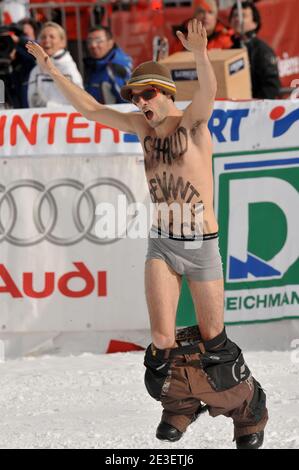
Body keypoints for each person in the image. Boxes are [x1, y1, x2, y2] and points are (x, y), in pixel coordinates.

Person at [26, 18, 268, 449]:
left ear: (167, 93)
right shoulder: (143, 131)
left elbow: (209, 94)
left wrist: (198, 52)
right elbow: (91, 110)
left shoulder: (191, 125)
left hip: (202, 246)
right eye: (135, 97)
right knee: (161, 341)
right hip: (162, 243)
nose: (140, 103)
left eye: (148, 94)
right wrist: (53, 70)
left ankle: (249, 409)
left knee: (215, 344)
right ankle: (181, 404)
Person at [229, 1, 281, 99]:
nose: (237, 19)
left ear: (255, 23)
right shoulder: (230, 50)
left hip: (257, 108)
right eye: (235, 15)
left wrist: (254, 103)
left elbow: (272, 86)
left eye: (243, 16)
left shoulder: (262, 50)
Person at [27, 21, 83, 107]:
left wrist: (50, 107)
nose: (46, 40)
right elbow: (32, 101)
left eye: (52, 37)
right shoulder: (35, 70)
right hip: (41, 119)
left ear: (62, 42)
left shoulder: (68, 68)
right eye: (43, 37)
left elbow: (80, 100)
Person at [84, 26, 133, 104]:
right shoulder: (93, 63)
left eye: (98, 41)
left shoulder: (116, 67)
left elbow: (129, 103)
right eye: (90, 41)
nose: (93, 45)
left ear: (110, 43)